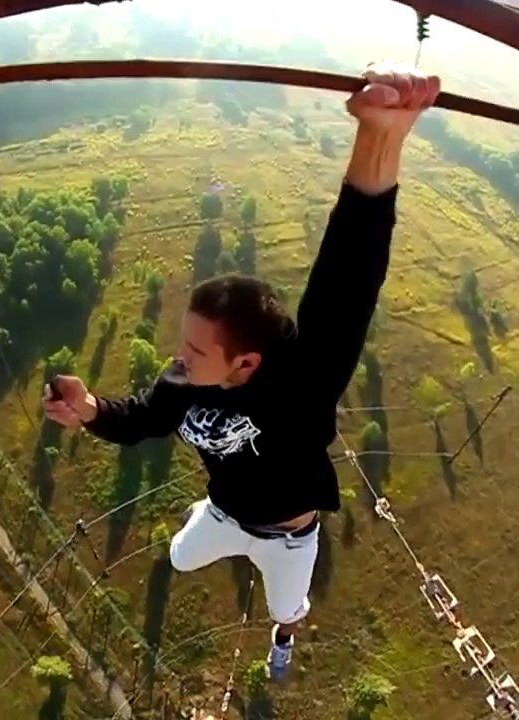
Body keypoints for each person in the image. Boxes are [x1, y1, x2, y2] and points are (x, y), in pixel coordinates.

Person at [43, 63, 441, 681]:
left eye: (197, 352)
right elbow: (142, 419)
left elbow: (348, 278)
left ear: (247, 363)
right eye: (184, 345)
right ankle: (216, 539)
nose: (179, 360)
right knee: (178, 558)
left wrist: (379, 137)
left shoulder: (297, 387)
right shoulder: (183, 383)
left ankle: (283, 636)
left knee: (288, 607)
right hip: (223, 513)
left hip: (288, 538)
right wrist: (88, 408)